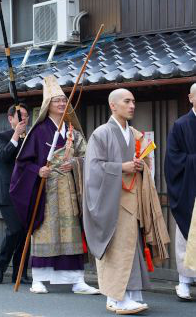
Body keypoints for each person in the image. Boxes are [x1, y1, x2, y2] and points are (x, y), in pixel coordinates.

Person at [10, 75, 99, 295]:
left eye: (64, 100)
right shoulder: (38, 132)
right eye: (56, 100)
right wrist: (38, 170)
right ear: (47, 105)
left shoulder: (72, 132)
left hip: (69, 190)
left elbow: (89, 157)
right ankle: (39, 279)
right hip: (46, 190)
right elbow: (23, 163)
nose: (61, 103)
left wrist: (75, 163)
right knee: (45, 232)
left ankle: (76, 279)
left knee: (71, 232)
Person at [83, 88, 170, 314]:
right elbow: (92, 169)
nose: (132, 105)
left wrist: (140, 166)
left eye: (133, 102)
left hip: (132, 200)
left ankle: (129, 295)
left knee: (131, 248)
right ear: (113, 105)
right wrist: (121, 167)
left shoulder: (132, 134)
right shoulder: (101, 134)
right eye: (127, 101)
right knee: (119, 249)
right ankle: (116, 298)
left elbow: (138, 164)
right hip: (112, 202)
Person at [165, 83, 196, 300]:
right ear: (191, 98)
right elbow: (173, 159)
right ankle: (184, 282)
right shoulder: (181, 125)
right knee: (186, 238)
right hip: (189, 189)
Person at [0, 104, 31, 285]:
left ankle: (20, 272)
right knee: (14, 229)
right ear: (11, 119)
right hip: (7, 193)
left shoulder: (31, 138)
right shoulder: (2, 137)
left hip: (27, 192)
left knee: (25, 233)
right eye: (20, 115)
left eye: (26, 115)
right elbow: (4, 157)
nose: (24, 119)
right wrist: (16, 134)